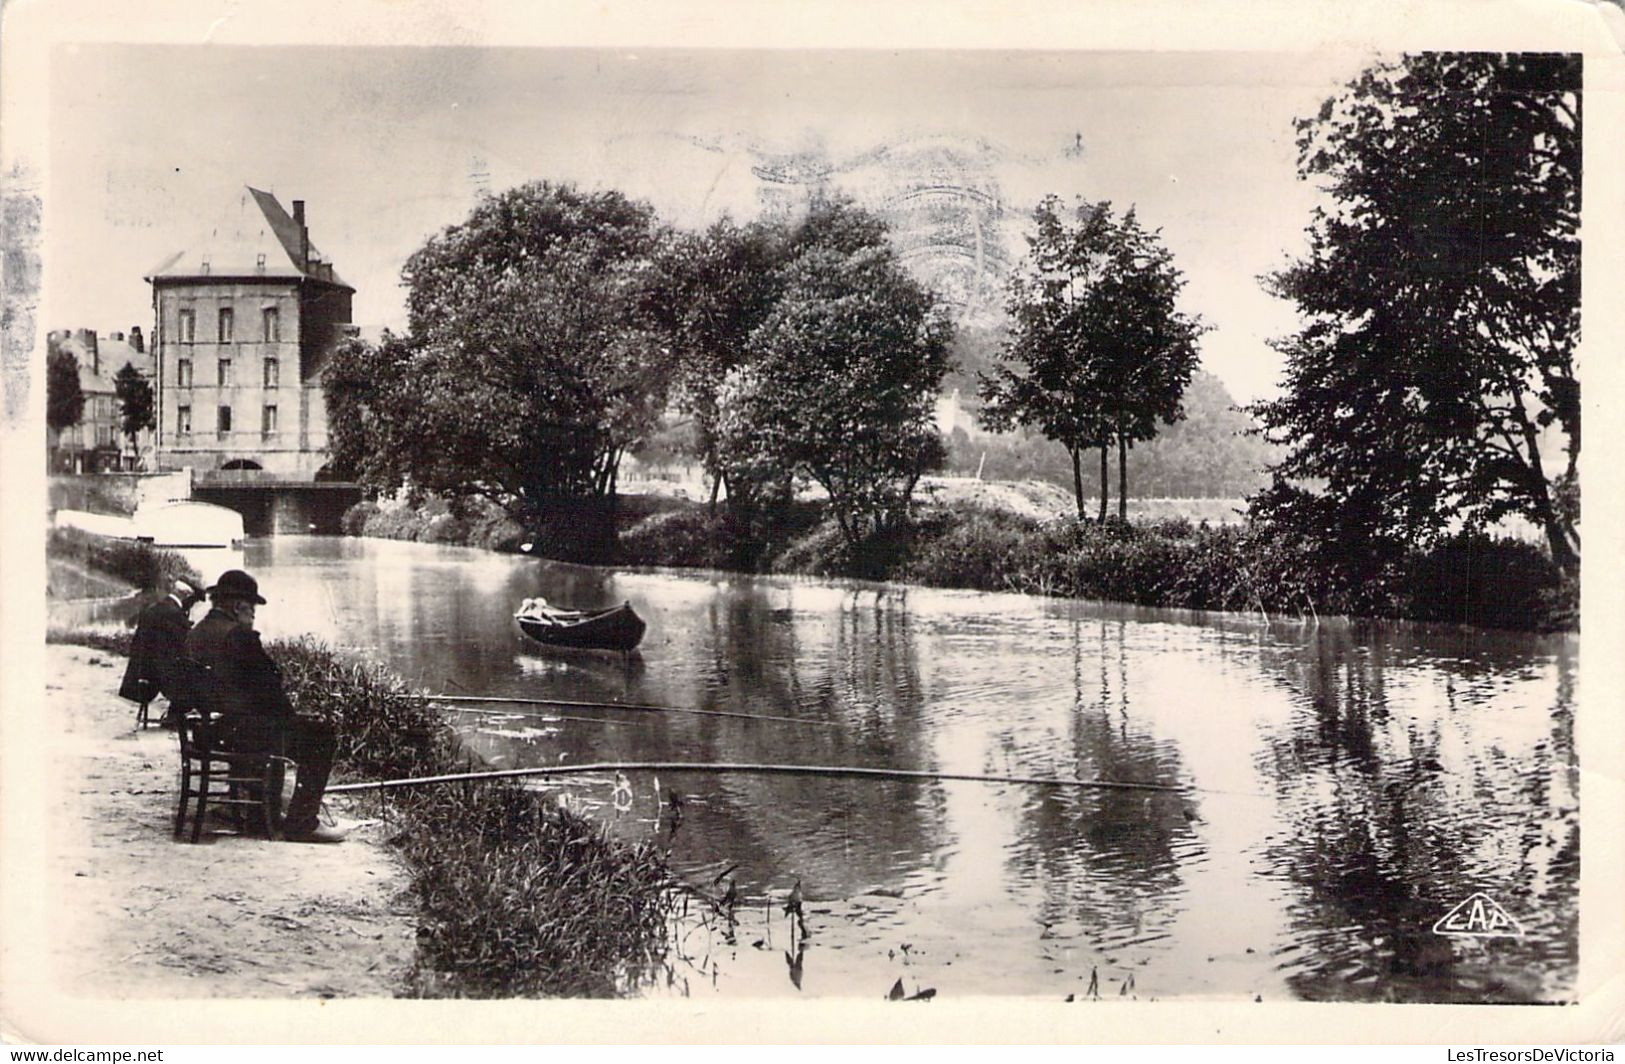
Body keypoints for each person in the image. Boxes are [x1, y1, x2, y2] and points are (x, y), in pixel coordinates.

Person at [185, 569, 344, 844]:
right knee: (321, 735)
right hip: (240, 734)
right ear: (238, 606)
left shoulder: (197, 632)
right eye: (252, 609)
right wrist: (295, 718)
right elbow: (269, 688)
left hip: (208, 731)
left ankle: (259, 815)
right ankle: (302, 823)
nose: (254, 615)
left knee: (265, 723)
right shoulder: (239, 637)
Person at [119, 577, 204, 721]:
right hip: (159, 678)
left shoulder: (153, 609)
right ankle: (176, 715)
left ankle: (175, 713)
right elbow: (182, 651)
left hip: (140, 674)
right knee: (200, 676)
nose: (191, 606)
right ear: (185, 596)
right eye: (192, 602)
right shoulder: (175, 615)